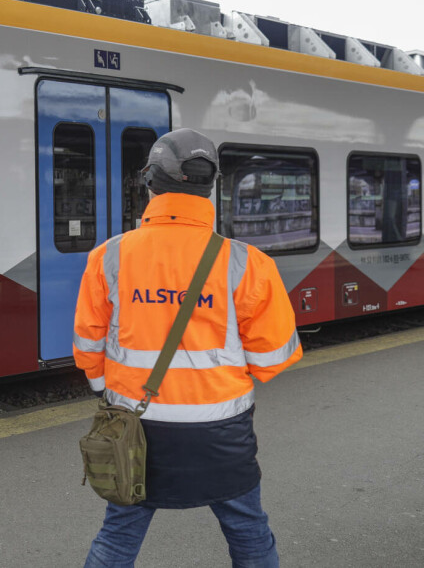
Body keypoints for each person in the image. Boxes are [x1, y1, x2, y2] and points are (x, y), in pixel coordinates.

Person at [73, 128, 303, 568]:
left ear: (150, 183)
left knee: (117, 537)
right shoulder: (246, 262)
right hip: (221, 432)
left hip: (135, 428)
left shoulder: (109, 256)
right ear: (209, 185)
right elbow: (273, 358)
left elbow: (88, 343)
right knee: (250, 532)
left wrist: (107, 386)